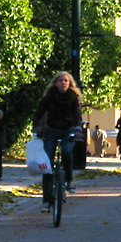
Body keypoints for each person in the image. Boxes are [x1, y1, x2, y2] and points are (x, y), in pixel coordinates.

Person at [33, 71, 83, 212]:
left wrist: (78, 128)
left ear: (70, 83)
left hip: (68, 130)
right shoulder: (50, 96)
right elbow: (38, 113)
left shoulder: (74, 97)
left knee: (67, 152)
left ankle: (69, 180)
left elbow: (77, 115)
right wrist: (37, 126)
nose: (63, 83)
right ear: (55, 82)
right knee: (47, 165)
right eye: (60, 80)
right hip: (51, 131)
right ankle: (46, 201)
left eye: (66, 80)